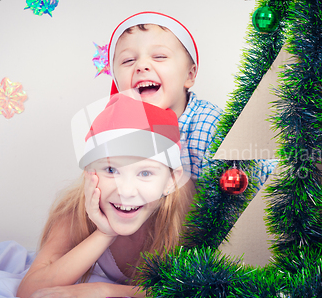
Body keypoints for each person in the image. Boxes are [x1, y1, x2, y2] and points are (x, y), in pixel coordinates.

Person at [17, 94, 194, 298]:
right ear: (89, 172)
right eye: (111, 170)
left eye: (145, 173)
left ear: (171, 180)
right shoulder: (75, 211)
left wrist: (104, 291)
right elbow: (30, 291)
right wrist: (104, 233)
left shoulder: (184, 211)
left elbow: (204, 289)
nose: (126, 191)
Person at [107, 11, 276, 185]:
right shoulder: (115, 131)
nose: (141, 66)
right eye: (128, 60)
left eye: (159, 57)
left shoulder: (208, 125)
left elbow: (252, 184)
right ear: (118, 83)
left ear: (189, 75)